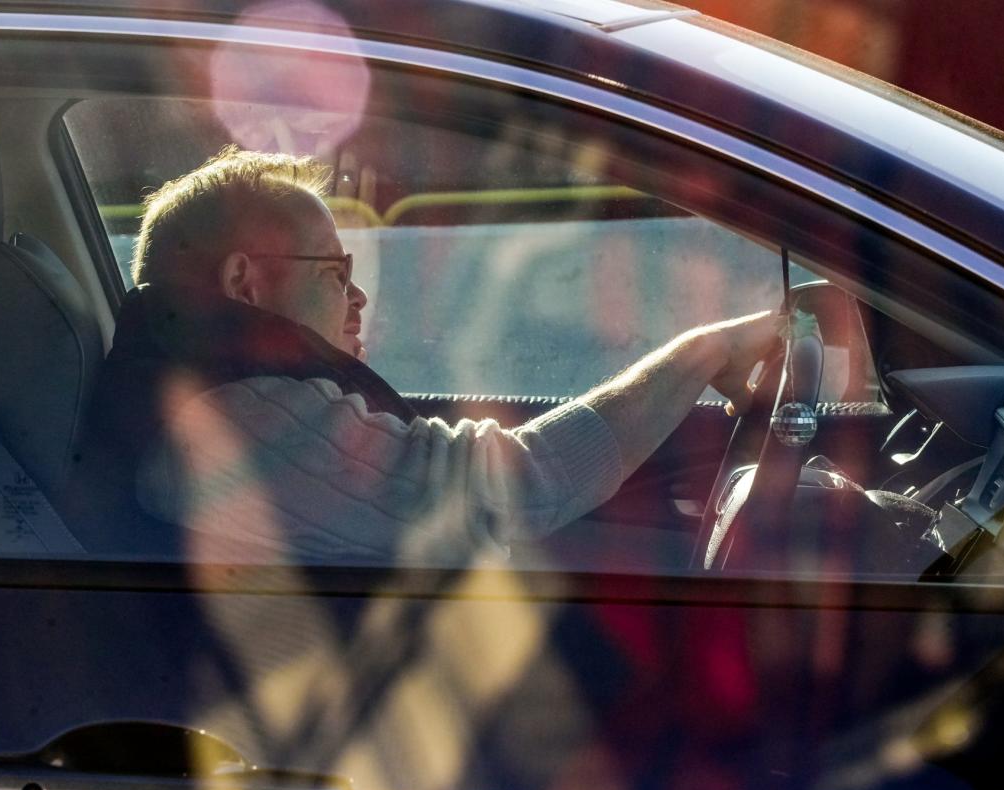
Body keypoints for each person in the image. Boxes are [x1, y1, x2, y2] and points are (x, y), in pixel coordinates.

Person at [71, 147, 781, 563]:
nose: (359, 299)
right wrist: (702, 353)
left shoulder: (228, 388)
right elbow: (497, 497)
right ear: (243, 283)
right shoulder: (234, 421)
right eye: (333, 272)